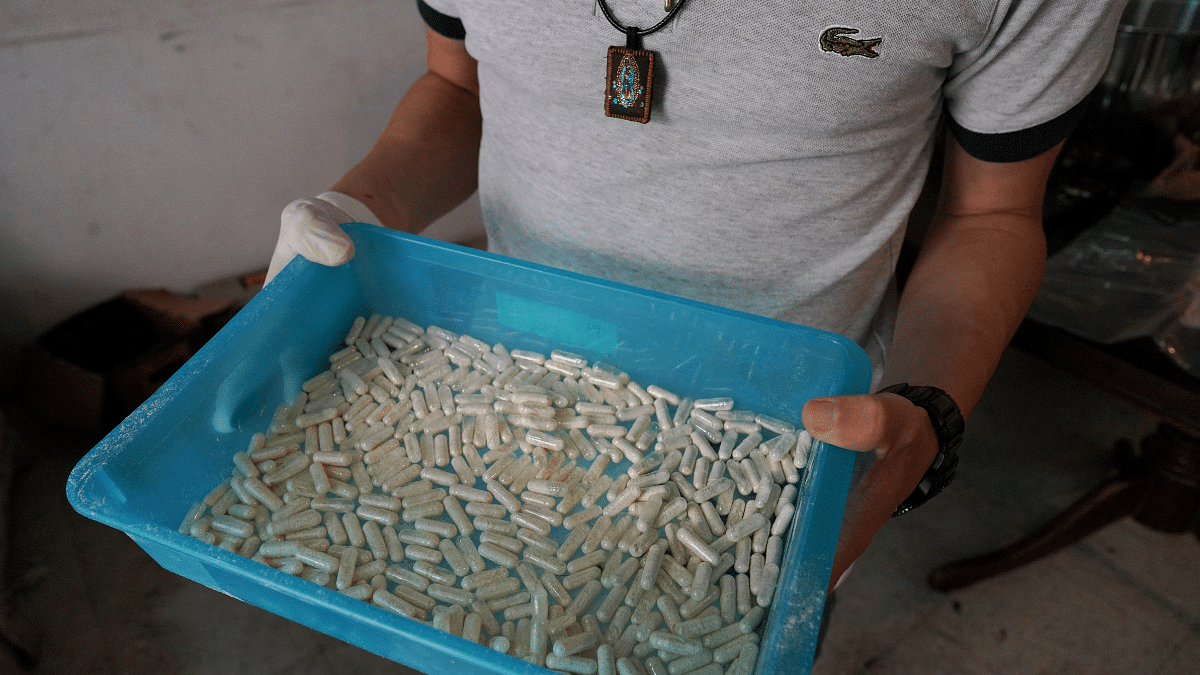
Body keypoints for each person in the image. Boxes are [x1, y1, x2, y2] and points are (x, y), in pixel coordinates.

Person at [267, 0, 1126, 620]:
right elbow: (458, 87)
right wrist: (358, 208)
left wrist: (929, 411)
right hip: (504, 406)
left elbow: (991, 214)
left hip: (766, 452)